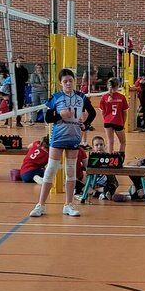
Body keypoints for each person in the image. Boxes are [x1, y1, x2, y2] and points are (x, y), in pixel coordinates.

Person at [29, 69, 92, 218]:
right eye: (65, 81)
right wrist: (60, 115)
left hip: (74, 137)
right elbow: (48, 118)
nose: (68, 83)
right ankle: (40, 205)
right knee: (51, 169)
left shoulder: (81, 97)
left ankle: (68, 205)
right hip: (58, 137)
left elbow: (92, 112)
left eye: (70, 80)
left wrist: (86, 124)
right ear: (60, 83)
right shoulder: (56, 97)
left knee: (71, 170)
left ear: (74, 81)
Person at [79, 136, 119, 201]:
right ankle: (99, 194)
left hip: (105, 185)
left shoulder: (108, 157)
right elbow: (85, 169)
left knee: (112, 187)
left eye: (101, 144)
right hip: (93, 184)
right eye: (96, 145)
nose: (99, 147)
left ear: (104, 146)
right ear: (93, 147)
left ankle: (95, 192)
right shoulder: (90, 158)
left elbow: (114, 180)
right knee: (77, 183)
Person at [99, 77, 128, 154]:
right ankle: (121, 158)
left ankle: (109, 158)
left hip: (107, 122)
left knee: (110, 142)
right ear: (118, 86)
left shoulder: (104, 97)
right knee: (123, 142)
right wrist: (123, 123)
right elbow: (125, 113)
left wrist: (105, 120)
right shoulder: (122, 97)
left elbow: (102, 112)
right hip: (118, 122)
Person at [13, 56, 29, 127]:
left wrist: (21, 79)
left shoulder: (24, 70)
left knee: (20, 106)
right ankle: (7, 121)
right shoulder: (12, 68)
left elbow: (26, 79)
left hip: (21, 90)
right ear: (17, 61)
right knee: (10, 105)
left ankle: (18, 121)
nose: (21, 62)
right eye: (20, 61)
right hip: (12, 90)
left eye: (22, 61)